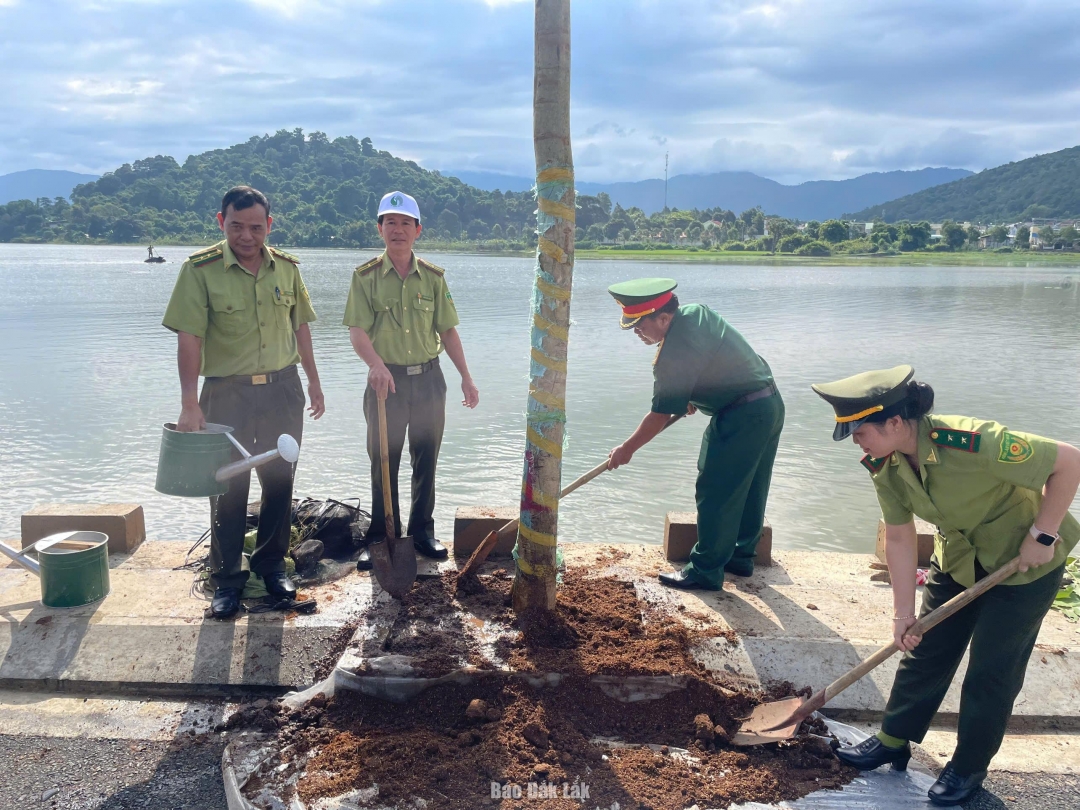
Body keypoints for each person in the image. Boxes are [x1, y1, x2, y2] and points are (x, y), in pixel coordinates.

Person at [813, 365, 1080, 805]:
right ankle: (893, 739)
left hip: (1024, 564)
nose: (856, 441)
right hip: (957, 561)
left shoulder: (973, 441)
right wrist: (902, 614)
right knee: (923, 648)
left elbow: (1069, 461)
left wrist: (1044, 534)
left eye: (860, 431)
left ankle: (968, 767)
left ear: (895, 422)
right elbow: (899, 536)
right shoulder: (884, 464)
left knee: (991, 670)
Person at [163, 185, 325, 620]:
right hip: (225, 392)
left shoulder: (287, 269)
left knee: (279, 480)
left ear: (269, 226)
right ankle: (228, 580)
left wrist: (314, 382)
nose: (247, 236)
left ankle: (273, 568)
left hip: (282, 389)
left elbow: (302, 329)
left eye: (256, 227)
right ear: (221, 222)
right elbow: (189, 338)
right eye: (237, 226)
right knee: (228, 486)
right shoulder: (200, 270)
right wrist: (188, 403)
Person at [606, 278, 784, 590]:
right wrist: (691, 395)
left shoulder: (674, 350)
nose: (636, 332)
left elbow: (659, 414)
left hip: (739, 416)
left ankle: (704, 570)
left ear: (663, 318)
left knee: (716, 489)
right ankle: (740, 557)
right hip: (768, 404)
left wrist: (627, 449)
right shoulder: (695, 313)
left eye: (639, 325)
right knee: (752, 486)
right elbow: (714, 361)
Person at [345, 191, 478, 570]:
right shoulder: (366, 277)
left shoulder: (433, 278)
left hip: (429, 380)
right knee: (383, 459)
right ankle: (382, 535)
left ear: (418, 230)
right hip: (385, 383)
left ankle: (422, 531)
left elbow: (448, 332)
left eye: (405, 223)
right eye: (390, 222)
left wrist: (466, 377)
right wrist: (375, 364)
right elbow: (357, 331)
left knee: (426, 458)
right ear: (380, 229)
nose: (397, 230)